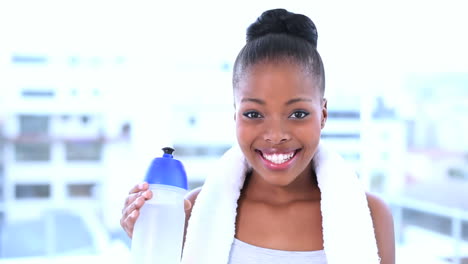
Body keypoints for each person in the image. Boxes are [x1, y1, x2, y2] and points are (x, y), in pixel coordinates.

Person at [121, 8, 395, 264]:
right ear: (235, 114)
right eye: (254, 114)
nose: (276, 136)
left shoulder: (371, 216)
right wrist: (148, 238)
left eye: (298, 114)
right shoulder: (190, 212)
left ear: (323, 114)